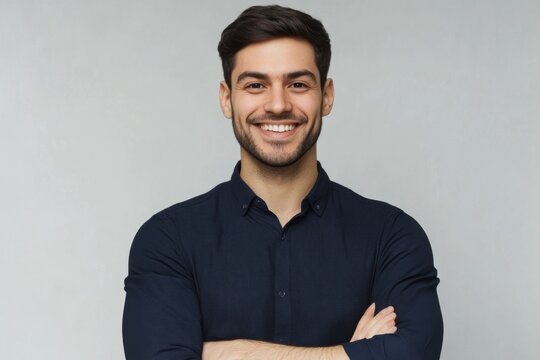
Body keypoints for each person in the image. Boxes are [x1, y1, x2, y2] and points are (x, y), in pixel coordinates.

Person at [122, 5, 443, 360]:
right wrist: (349, 353)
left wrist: (229, 353)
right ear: (227, 99)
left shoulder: (392, 236)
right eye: (256, 84)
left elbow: (412, 354)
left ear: (328, 96)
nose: (277, 104)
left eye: (298, 84)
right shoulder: (168, 240)